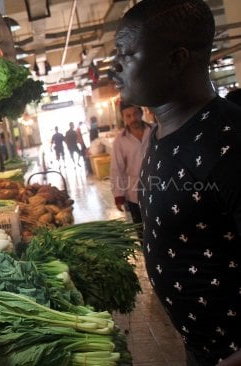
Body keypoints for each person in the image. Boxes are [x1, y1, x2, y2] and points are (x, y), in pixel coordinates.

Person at [112, 1, 241, 365]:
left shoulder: (229, 142)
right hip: (199, 347)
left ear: (176, 59)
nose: (114, 66)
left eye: (127, 54)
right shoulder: (159, 134)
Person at [109, 104, 151, 227]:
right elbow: (117, 169)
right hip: (135, 194)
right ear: (123, 118)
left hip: (160, 190)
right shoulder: (120, 140)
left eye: (135, 114)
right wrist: (118, 196)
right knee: (142, 231)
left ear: (141, 113)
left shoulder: (155, 130)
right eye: (128, 116)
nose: (133, 119)